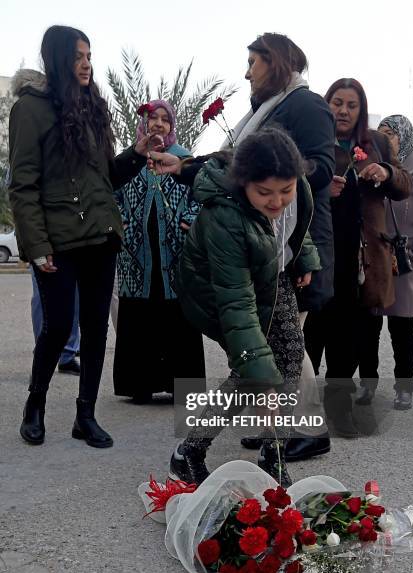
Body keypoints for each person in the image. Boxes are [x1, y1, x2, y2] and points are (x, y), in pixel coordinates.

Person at [151, 126, 320, 485]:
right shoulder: (224, 218)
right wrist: (263, 384)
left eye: (285, 190)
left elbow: (296, 224)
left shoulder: (296, 188)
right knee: (251, 373)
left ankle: (272, 454)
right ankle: (188, 453)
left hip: (273, 275)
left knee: (290, 356)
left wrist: (303, 258)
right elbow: (238, 306)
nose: (277, 201)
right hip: (221, 291)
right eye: (264, 193)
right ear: (243, 183)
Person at [9, 25, 152, 448]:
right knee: (55, 329)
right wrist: (36, 246)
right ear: (57, 59)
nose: (86, 63)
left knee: (95, 329)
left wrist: (136, 155)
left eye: (89, 55)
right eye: (77, 56)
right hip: (58, 241)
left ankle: (84, 415)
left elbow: (105, 178)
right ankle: (34, 405)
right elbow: (22, 185)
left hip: (100, 238)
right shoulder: (30, 109)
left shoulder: (93, 106)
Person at [223, 33, 335, 460]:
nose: (247, 72)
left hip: (295, 243)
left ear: (277, 62)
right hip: (267, 242)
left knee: (287, 341)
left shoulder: (306, 105)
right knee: (275, 338)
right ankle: (274, 427)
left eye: (253, 62)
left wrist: (273, 174)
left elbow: (323, 167)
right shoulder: (267, 109)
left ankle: (310, 429)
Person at [305, 79, 411, 435]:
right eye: (337, 103)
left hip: (361, 259)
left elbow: (404, 184)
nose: (343, 111)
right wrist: (320, 186)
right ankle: (297, 416)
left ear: (361, 110)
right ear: (327, 105)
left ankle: (339, 409)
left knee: (347, 337)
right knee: (308, 334)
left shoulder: (377, 143)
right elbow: (290, 184)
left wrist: (386, 172)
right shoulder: (313, 141)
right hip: (319, 254)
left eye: (352, 105)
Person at [113, 100, 205, 404]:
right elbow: (110, 193)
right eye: (154, 119)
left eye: (166, 120)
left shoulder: (183, 160)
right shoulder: (129, 160)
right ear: (144, 122)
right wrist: (122, 223)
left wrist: (190, 219)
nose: (160, 125)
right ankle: (139, 385)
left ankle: (183, 388)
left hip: (176, 254)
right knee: (140, 314)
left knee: (178, 314)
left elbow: (201, 195)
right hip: (135, 255)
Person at [356, 115, 413, 410]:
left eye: (392, 134)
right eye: (382, 133)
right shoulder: (370, 166)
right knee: (368, 326)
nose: (388, 139)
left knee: (402, 327)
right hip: (375, 257)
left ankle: (404, 388)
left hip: (405, 260)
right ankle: (367, 385)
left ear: (404, 137)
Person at [30, 268, 81, 374]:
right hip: (43, 253)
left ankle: (67, 356)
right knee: (42, 295)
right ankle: (42, 355)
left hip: (73, 252)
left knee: (74, 294)